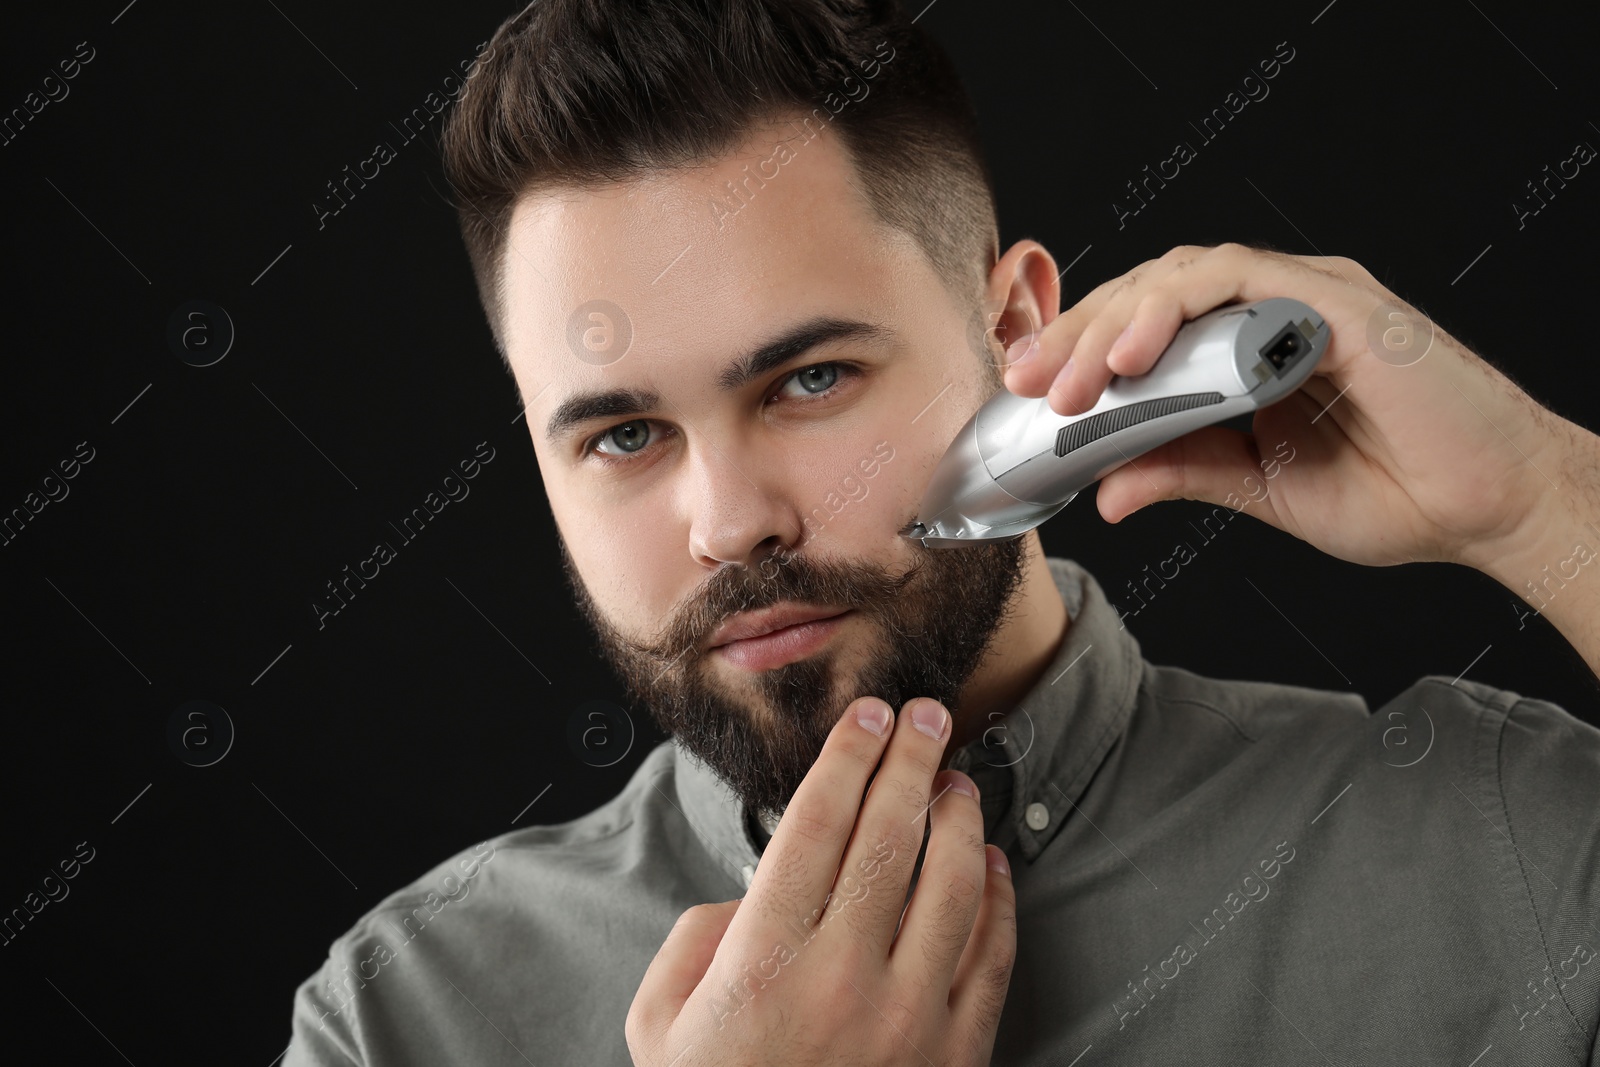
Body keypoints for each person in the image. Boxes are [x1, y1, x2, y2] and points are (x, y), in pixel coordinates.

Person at [283, 1, 1600, 1063]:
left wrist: (1545, 499)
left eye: (810, 381)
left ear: (1018, 328)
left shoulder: (1489, 848)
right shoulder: (406, 1017)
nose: (730, 523)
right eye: (623, 436)